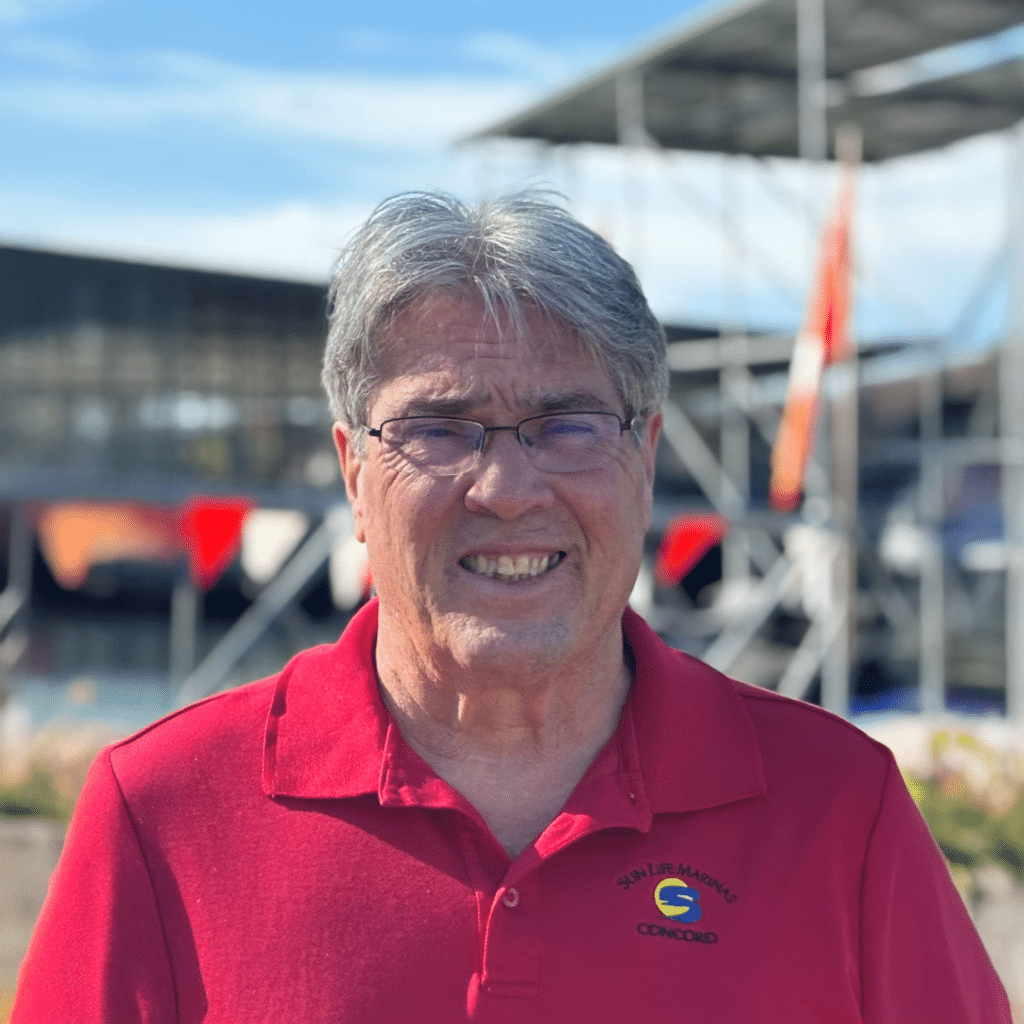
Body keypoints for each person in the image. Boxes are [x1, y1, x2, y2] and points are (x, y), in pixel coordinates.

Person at [14, 191, 1010, 1023]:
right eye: (440, 428)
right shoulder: (163, 813)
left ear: (645, 457)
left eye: (566, 423)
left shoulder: (841, 810)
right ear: (353, 470)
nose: (505, 487)